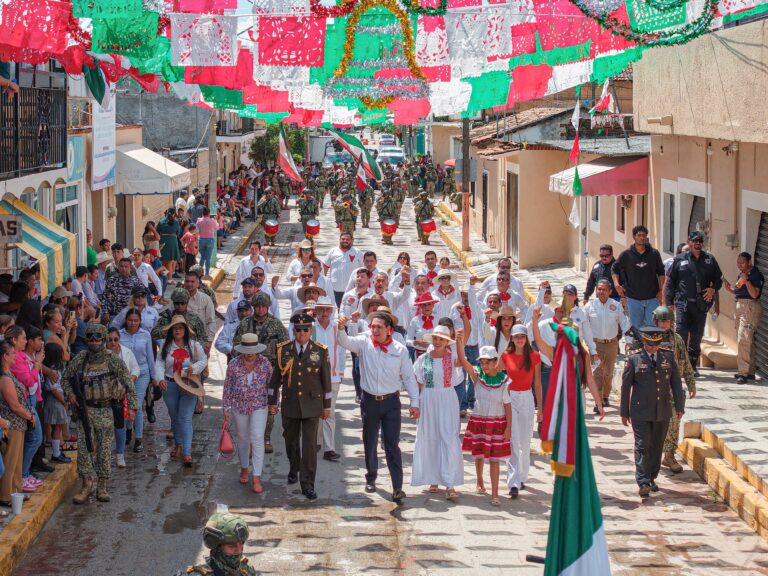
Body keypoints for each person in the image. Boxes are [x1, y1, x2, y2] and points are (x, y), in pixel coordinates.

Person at [337, 311, 420, 503]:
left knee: (392, 445)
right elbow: (344, 341)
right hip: (370, 401)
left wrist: (415, 402)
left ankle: (397, 487)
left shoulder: (400, 349)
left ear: (389, 330)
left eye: (379, 327)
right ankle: (371, 477)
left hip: (391, 402)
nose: (374, 330)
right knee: (370, 440)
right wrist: (341, 327)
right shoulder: (364, 343)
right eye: (372, 326)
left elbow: (408, 376)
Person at [64, 324, 137, 504]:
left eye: (98, 338)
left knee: (104, 450)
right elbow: (65, 377)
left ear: (103, 340)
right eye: (91, 338)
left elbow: (128, 382)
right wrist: (71, 394)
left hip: (105, 410)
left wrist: (133, 407)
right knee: (84, 450)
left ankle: (102, 485)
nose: (94, 342)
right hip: (85, 411)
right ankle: (87, 483)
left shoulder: (112, 360)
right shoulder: (81, 359)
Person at [269, 313, 331, 501]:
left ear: (310, 330)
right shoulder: (284, 350)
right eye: (298, 330)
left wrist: (326, 406)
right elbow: (275, 381)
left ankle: (308, 483)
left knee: (310, 446)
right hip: (290, 404)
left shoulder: (320, 350)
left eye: (306, 329)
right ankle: (293, 467)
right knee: (291, 442)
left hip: (312, 404)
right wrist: (272, 402)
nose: (302, 333)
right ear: (293, 331)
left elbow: (326, 382)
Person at [621, 326, 685, 498]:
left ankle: (651, 477)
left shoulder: (668, 357)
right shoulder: (634, 359)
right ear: (643, 342)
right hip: (640, 411)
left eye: (655, 344)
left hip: (662, 411)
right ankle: (642, 481)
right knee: (642, 446)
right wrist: (624, 412)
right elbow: (626, 387)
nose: (652, 348)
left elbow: (676, 384)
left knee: (656, 447)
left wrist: (679, 406)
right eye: (649, 344)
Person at [411, 325, 464, 499]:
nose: (438, 341)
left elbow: (461, 362)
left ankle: (450, 483)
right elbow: (418, 382)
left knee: (448, 437)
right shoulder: (423, 359)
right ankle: (433, 477)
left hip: (447, 398)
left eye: (442, 339)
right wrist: (415, 404)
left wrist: (461, 342)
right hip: (428, 398)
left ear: (447, 342)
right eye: (436, 338)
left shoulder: (453, 357)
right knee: (430, 437)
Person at [457, 343, 511, 507]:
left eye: (488, 362)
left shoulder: (505, 381)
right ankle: (480, 479)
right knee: (479, 452)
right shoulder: (477, 376)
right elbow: (463, 361)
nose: (485, 365)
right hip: (479, 420)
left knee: (495, 459)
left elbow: (508, 405)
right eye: (482, 362)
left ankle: (495, 493)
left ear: (496, 362)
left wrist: (509, 428)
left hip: (497, 422)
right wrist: (460, 342)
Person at [664, 230, 723, 375]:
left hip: (700, 305)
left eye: (700, 241)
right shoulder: (680, 259)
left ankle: (692, 366)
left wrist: (713, 289)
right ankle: (680, 365)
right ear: (689, 242)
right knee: (681, 334)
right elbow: (671, 281)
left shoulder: (709, 259)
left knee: (696, 336)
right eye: (695, 241)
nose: (698, 244)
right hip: (683, 304)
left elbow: (719, 278)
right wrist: (669, 302)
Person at [154, 315, 207, 467]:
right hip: (170, 385)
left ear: (185, 330)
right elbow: (159, 363)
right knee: (175, 417)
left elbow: (203, 360)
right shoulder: (165, 345)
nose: (177, 330)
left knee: (185, 418)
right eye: (175, 328)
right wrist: (160, 378)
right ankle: (179, 444)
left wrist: (194, 368)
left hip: (188, 384)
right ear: (171, 330)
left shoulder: (194, 345)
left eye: (180, 328)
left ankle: (187, 452)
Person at [650, 306, 697, 474]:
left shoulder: (677, 340)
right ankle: (651, 456)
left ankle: (669, 455)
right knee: (654, 424)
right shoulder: (649, 339)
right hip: (654, 389)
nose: (664, 324)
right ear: (655, 321)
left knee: (674, 422)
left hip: (673, 389)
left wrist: (691, 383)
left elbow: (685, 361)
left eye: (667, 321)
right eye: (662, 321)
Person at [224, 334, 273, 493]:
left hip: (259, 404)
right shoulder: (233, 364)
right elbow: (227, 387)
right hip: (239, 405)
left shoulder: (265, 364)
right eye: (247, 350)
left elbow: (271, 387)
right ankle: (244, 467)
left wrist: (274, 403)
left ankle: (257, 476)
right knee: (243, 438)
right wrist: (226, 409)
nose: (250, 353)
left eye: (253, 350)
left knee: (257, 437)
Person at [498, 324, 542, 499]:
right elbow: (497, 375)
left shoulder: (534, 356)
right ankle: (513, 482)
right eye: (516, 337)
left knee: (525, 441)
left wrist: (541, 408)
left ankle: (522, 476)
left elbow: (537, 383)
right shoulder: (505, 355)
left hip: (527, 397)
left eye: (521, 337)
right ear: (512, 339)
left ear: (526, 338)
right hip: (510, 398)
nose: (519, 340)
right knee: (513, 440)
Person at [584, 279, 631, 410]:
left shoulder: (616, 306)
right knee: (597, 372)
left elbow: (625, 324)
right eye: (599, 289)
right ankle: (598, 401)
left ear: (610, 291)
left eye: (604, 289)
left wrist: (628, 341)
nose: (601, 292)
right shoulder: (589, 306)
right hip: (595, 345)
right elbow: (583, 325)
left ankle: (605, 396)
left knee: (608, 373)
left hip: (612, 344)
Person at [311, 297, 346, 463]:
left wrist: (340, 372)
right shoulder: (310, 328)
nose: (324, 313)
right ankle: (316, 442)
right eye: (321, 309)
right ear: (316, 311)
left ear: (331, 311)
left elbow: (341, 351)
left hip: (332, 378)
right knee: (316, 411)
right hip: (314, 377)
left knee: (329, 412)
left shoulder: (336, 328)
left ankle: (329, 448)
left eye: (327, 310)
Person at [612, 225, 665, 331]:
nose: (642, 238)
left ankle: (649, 348)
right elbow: (614, 269)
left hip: (652, 298)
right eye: (639, 235)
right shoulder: (626, 255)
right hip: (633, 299)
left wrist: (661, 290)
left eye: (644, 235)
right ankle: (639, 347)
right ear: (634, 237)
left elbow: (661, 272)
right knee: (636, 328)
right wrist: (616, 284)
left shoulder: (654, 253)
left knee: (653, 328)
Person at [119, 308, 157, 451]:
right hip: (125, 374)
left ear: (140, 321)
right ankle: (128, 430)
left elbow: (150, 356)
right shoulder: (120, 335)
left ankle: (139, 438)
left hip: (142, 373)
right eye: (130, 320)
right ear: (126, 321)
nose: (133, 323)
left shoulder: (145, 335)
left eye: (136, 320)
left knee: (137, 405)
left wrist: (154, 376)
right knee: (127, 404)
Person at [723, 251, 764, 383]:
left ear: (749, 262)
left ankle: (743, 373)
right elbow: (738, 290)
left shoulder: (756, 275)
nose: (739, 264)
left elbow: (754, 294)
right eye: (738, 262)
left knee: (743, 339)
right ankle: (750, 371)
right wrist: (730, 289)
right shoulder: (742, 274)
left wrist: (746, 280)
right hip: (740, 306)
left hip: (749, 307)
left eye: (742, 262)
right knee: (746, 340)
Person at [0, 340, 30, 507]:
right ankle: (5, 495)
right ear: (5, 356)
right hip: (11, 424)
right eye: (12, 354)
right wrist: (29, 416)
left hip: (18, 424)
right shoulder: (4, 378)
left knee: (17, 461)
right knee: (10, 462)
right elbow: (14, 405)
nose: (14, 357)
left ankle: (16, 491)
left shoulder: (8, 374)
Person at [180, 512, 256, 576]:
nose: (239, 551)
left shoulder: (246, 570)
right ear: (217, 547)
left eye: (241, 543)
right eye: (231, 546)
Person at [105, 327, 139, 468]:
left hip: (120, 395)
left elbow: (136, 369)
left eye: (115, 339)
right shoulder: (100, 355)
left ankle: (120, 454)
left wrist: (129, 379)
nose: (113, 342)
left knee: (120, 426)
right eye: (110, 340)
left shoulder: (126, 352)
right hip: (104, 397)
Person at [451, 280, 482, 415]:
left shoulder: (478, 307)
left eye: (468, 294)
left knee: (474, 374)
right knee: (461, 376)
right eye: (464, 294)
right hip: (462, 345)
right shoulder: (455, 308)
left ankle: (471, 400)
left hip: (475, 345)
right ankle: (462, 404)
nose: (466, 297)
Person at [42, 343, 71, 464]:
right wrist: (64, 401)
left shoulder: (50, 368)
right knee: (58, 427)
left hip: (54, 400)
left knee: (56, 427)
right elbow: (54, 389)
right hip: (56, 401)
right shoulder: (53, 370)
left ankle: (57, 451)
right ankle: (56, 453)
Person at [323, 233, 363, 307]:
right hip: (335, 289)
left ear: (351, 241)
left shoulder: (358, 252)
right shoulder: (333, 251)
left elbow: (364, 268)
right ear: (339, 240)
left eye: (347, 239)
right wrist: (323, 282)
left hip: (352, 289)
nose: (345, 241)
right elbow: (325, 267)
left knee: (351, 310)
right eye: (343, 239)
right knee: (336, 310)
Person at [407, 292, 441, 359]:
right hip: (418, 355)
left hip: (435, 354)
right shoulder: (414, 320)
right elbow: (407, 341)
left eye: (429, 304)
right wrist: (417, 342)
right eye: (424, 305)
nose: (427, 307)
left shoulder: (439, 320)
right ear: (420, 306)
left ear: (433, 305)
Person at [157, 208, 182, 280]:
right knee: (170, 263)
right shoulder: (176, 222)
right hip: (172, 242)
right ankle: (170, 279)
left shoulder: (161, 221)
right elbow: (178, 233)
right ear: (174, 214)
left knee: (164, 262)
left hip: (163, 242)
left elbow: (157, 231)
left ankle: (165, 278)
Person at [196, 207, 219, 278]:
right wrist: (215, 220)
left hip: (201, 240)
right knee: (208, 258)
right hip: (210, 240)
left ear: (202, 213)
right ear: (209, 214)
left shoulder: (198, 221)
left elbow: (197, 230)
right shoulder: (212, 221)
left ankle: (199, 274)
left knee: (202, 257)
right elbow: (217, 228)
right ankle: (206, 274)